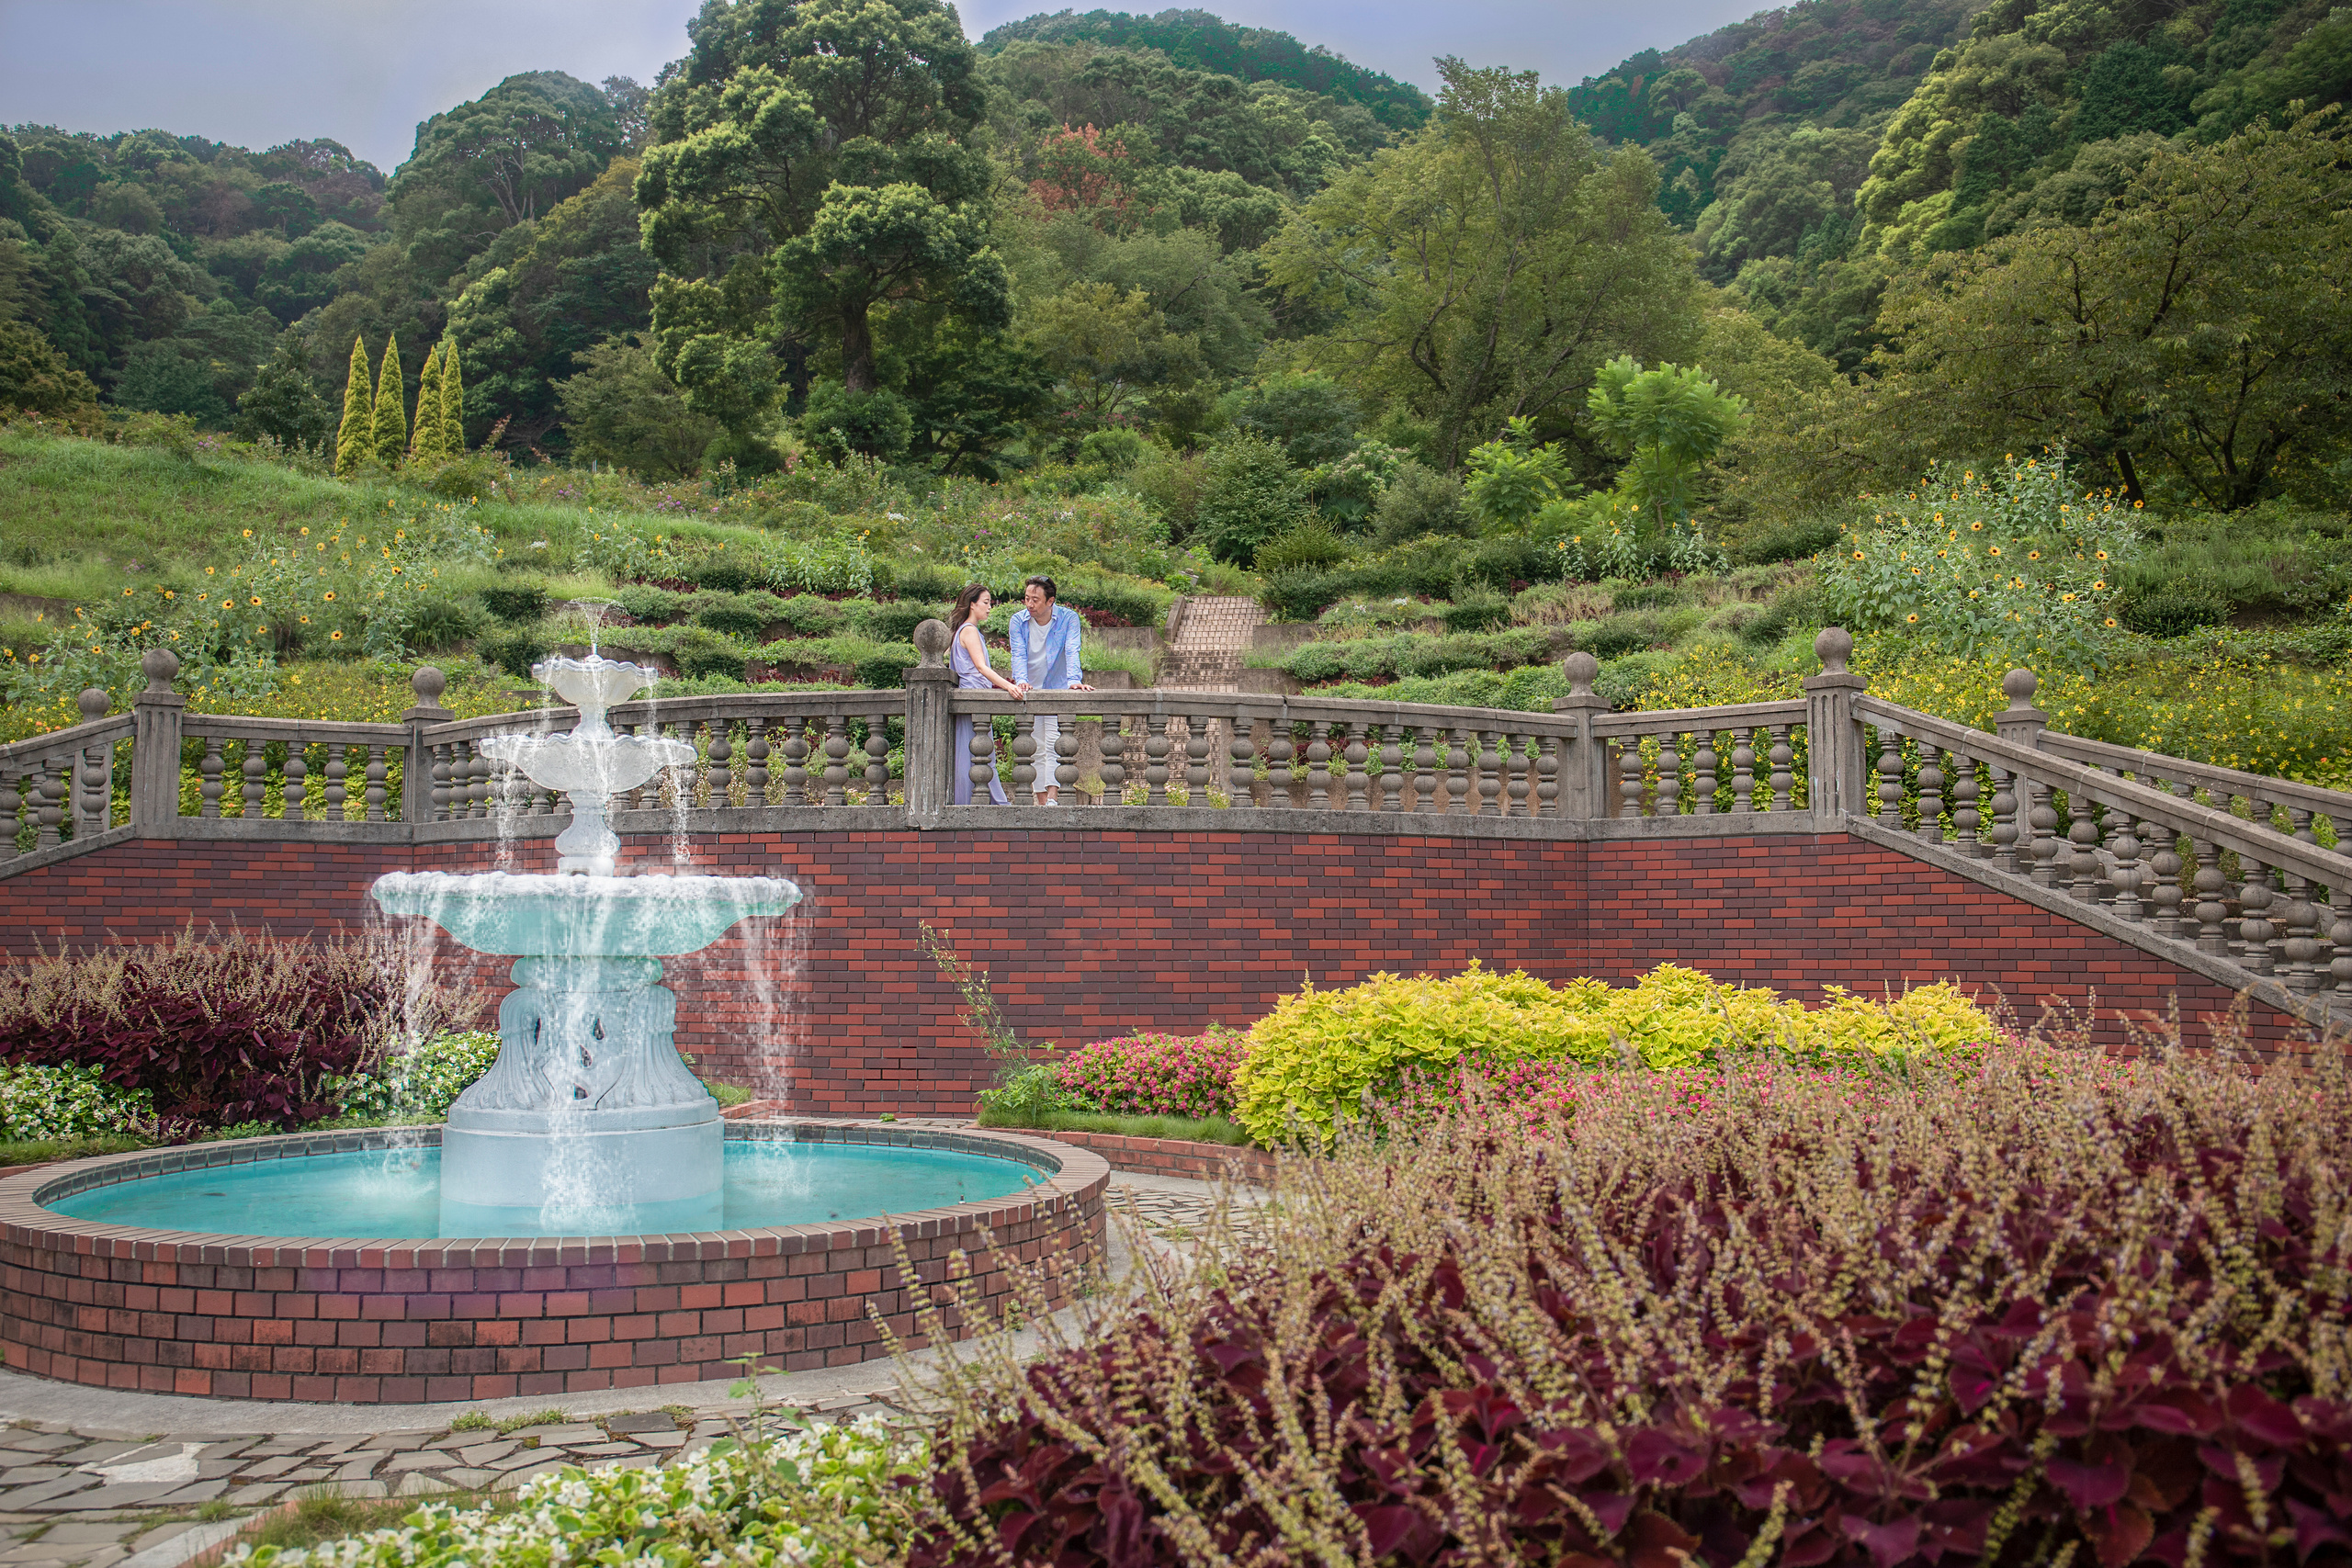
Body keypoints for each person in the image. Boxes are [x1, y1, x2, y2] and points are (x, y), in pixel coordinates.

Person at [1007, 576, 1092, 806]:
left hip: (1057, 687)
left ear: (1050, 600)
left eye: (1035, 600)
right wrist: (1022, 680)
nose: (1029, 604)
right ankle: (1042, 801)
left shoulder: (1068, 619)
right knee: (1034, 746)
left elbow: (1073, 648)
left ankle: (1053, 797)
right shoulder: (1018, 621)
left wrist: (1074, 680)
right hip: (1030, 690)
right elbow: (1018, 653)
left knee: (1056, 742)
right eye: (1026, 598)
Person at [948, 582, 1023, 805]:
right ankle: (976, 803)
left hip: (973, 699)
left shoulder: (965, 631)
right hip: (974, 699)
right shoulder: (969, 631)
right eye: (986, 602)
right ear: (972, 604)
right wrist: (1008, 686)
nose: (990, 607)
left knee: (973, 754)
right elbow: (981, 667)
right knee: (977, 755)